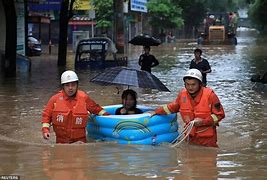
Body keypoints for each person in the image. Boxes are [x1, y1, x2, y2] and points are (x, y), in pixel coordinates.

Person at [149, 69, 225, 147]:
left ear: (200, 84)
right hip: (189, 136)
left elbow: (220, 115)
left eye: (193, 84)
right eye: (187, 84)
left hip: (207, 139)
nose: (190, 87)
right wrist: (157, 111)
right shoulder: (182, 94)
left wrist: (203, 122)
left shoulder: (210, 95)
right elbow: (173, 107)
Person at [41, 70, 109, 144]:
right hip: (61, 142)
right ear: (63, 86)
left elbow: (97, 109)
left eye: (73, 85)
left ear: (77, 85)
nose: (70, 88)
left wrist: (109, 116)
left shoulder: (84, 98)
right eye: (67, 85)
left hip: (80, 141)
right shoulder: (54, 100)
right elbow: (46, 116)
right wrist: (45, 130)